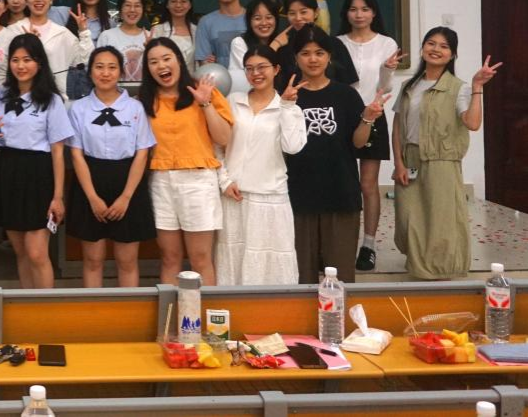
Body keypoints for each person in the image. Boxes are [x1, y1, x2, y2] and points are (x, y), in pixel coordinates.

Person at [393, 28, 501, 281]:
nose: (436, 49)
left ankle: (438, 272)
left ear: (452, 55)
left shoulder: (458, 88)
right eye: (431, 43)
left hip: (442, 161)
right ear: (422, 48)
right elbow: (397, 126)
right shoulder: (409, 86)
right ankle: (421, 263)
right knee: (408, 218)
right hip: (410, 158)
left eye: (444, 46)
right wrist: (398, 162)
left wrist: (477, 86)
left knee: (440, 220)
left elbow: (472, 123)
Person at [284, 25, 382, 283]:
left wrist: (367, 119)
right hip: (298, 196)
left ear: (329, 57)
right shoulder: (287, 96)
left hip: (341, 194)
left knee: (339, 277)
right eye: (305, 53)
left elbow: (358, 144)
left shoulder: (346, 95)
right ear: (296, 58)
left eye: (319, 53)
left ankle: (337, 313)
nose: (313, 59)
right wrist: (284, 104)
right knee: (300, 275)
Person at [140, 37, 232, 286]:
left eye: (166, 58)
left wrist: (205, 103)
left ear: (179, 61)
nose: (161, 66)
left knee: (200, 258)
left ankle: (206, 311)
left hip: (197, 181)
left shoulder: (202, 91)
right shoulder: (146, 101)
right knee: (169, 257)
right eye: (153, 62)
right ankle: (171, 311)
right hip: (161, 182)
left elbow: (224, 138)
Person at [66, 46, 157, 288]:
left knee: (127, 261)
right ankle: (93, 309)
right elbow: (76, 154)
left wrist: (126, 197)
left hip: (128, 182)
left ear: (121, 72)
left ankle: (128, 310)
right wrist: (92, 198)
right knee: (92, 259)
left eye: (111, 67)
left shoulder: (136, 108)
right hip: (89, 181)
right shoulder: (79, 108)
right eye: (99, 67)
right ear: (90, 72)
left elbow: (142, 153)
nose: (105, 73)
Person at [216, 46, 307, 286]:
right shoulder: (232, 101)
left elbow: (293, 147)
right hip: (234, 197)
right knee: (232, 264)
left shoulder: (289, 107)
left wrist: (287, 107)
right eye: (249, 69)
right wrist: (224, 181)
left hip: (270, 198)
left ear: (276, 69)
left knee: (271, 267)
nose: (255, 73)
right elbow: (217, 146)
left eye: (262, 67)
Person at [0, 34, 71, 289]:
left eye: (27, 59)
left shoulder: (52, 100)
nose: (21, 65)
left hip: (39, 174)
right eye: (15, 60)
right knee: (21, 251)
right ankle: (27, 305)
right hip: (8, 170)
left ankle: (46, 308)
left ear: (39, 62)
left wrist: (58, 196)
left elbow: (57, 151)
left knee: (37, 252)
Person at [336, 0, 402, 272]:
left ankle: (369, 245)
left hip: (374, 112)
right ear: (346, 13)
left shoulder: (387, 43)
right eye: (353, 9)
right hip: (342, 115)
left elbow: (385, 87)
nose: (359, 14)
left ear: (374, 12)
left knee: (367, 184)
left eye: (365, 9)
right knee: (343, 183)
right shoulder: (337, 43)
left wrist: (387, 70)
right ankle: (340, 242)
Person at [0, 0, 92, 94]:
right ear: (26, 1)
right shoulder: (13, 31)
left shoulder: (62, 34)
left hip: (54, 96)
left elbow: (84, 61)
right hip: (19, 96)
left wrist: (83, 32)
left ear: (51, 0)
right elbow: (1, 68)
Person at [273, 0, 358, 86]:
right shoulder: (283, 47)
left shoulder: (335, 44)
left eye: (303, 12)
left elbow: (350, 83)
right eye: (292, 13)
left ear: (316, 13)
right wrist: (275, 44)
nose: (298, 18)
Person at [193, 0, 246, 66]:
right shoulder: (206, 22)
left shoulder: (252, 17)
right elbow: (204, 61)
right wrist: (207, 63)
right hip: (220, 75)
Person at [98, 0, 149, 82]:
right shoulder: (107, 36)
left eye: (137, 6)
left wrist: (151, 50)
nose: (132, 10)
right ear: (120, 9)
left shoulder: (150, 37)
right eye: (127, 5)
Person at [227, 0, 283, 83]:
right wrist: (274, 46)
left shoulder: (283, 42)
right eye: (257, 18)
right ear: (249, 22)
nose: (264, 23)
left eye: (269, 17)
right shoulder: (239, 43)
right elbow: (248, 79)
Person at [149, 0, 198, 66]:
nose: (178, 5)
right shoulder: (157, 30)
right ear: (167, 4)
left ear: (190, 5)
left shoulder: (198, 31)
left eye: (183, 1)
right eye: (173, 1)